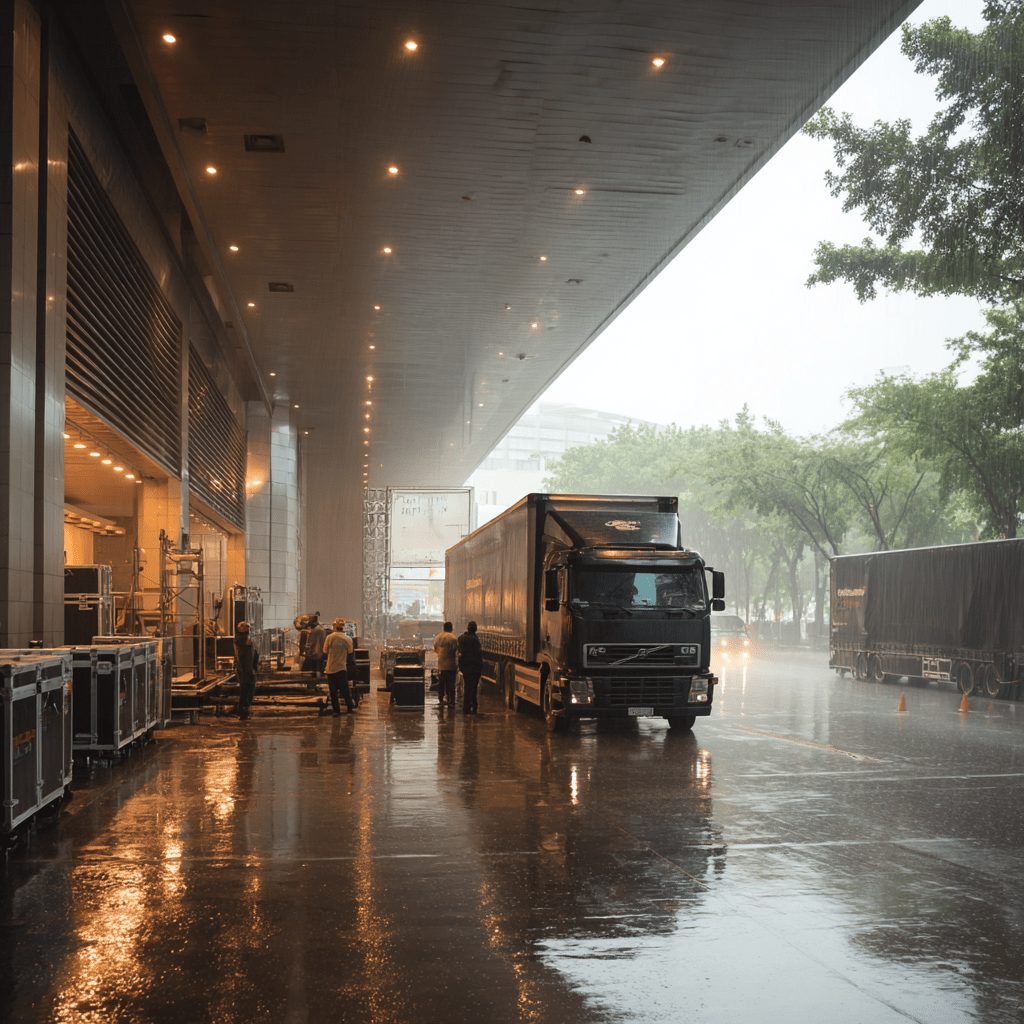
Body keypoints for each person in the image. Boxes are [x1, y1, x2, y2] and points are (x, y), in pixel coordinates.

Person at [321, 617, 355, 716]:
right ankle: (349, 708)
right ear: (343, 627)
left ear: (334, 626)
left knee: (333, 692)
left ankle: (336, 711)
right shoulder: (347, 639)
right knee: (345, 690)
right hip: (342, 667)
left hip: (331, 668)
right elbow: (350, 651)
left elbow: (325, 651)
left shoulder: (329, 637)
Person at [457, 620, 483, 714]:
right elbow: (479, 653)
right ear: (475, 629)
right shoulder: (475, 640)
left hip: (465, 667)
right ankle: (474, 705)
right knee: (474, 687)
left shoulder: (461, 638)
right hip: (475, 667)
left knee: (467, 686)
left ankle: (466, 706)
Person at [234, 620, 258, 720]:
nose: (248, 629)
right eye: (246, 627)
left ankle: (244, 707)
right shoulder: (242, 640)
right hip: (245, 669)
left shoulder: (244, 640)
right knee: (246, 688)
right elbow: (244, 657)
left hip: (247, 669)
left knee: (246, 688)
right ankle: (243, 708)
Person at [432, 621, 459, 707]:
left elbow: (435, 649)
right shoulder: (453, 638)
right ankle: (451, 701)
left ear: (443, 628)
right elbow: (456, 651)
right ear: (451, 628)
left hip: (442, 665)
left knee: (441, 683)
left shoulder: (438, 638)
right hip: (451, 665)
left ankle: (441, 699)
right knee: (451, 684)